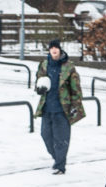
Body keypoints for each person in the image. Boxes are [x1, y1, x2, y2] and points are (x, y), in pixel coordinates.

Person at [34, 39, 85, 175]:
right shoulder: (44, 65)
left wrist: (76, 105)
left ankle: (60, 166)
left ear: (60, 50)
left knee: (61, 139)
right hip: (46, 108)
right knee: (46, 135)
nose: (54, 50)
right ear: (49, 50)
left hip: (62, 109)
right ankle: (58, 159)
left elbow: (76, 89)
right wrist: (39, 89)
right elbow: (38, 82)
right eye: (52, 48)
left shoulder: (69, 67)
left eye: (56, 48)